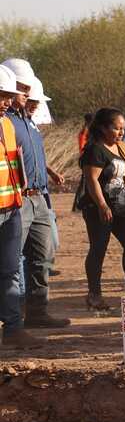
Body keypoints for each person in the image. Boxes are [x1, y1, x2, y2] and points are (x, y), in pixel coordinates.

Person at [78, 107, 125, 312]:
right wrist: (102, 205)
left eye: (123, 128)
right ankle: (94, 295)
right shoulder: (95, 150)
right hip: (98, 208)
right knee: (99, 248)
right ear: (103, 128)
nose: (121, 132)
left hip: (121, 207)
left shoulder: (123, 148)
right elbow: (92, 180)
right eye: (116, 128)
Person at [6, 72, 68, 328]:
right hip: (18, 199)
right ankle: (13, 318)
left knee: (43, 256)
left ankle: (37, 312)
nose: (29, 97)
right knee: (10, 261)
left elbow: (34, 156)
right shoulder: (7, 123)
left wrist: (49, 174)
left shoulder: (28, 123)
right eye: (24, 91)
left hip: (39, 197)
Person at [0, 66, 39, 348]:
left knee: (11, 270)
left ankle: (13, 329)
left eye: (7, 96)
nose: (6, 101)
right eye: (1, 96)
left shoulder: (8, 126)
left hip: (11, 207)